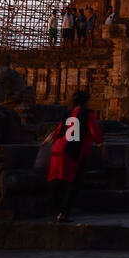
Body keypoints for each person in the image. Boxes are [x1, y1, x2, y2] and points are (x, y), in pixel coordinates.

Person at [46, 90, 105, 223]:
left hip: (58, 149)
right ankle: (63, 213)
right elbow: (95, 132)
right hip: (74, 151)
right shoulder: (88, 114)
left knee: (57, 181)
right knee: (73, 183)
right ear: (86, 101)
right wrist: (102, 147)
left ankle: (58, 210)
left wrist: (47, 141)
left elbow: (57, 131)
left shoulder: (67, 113)